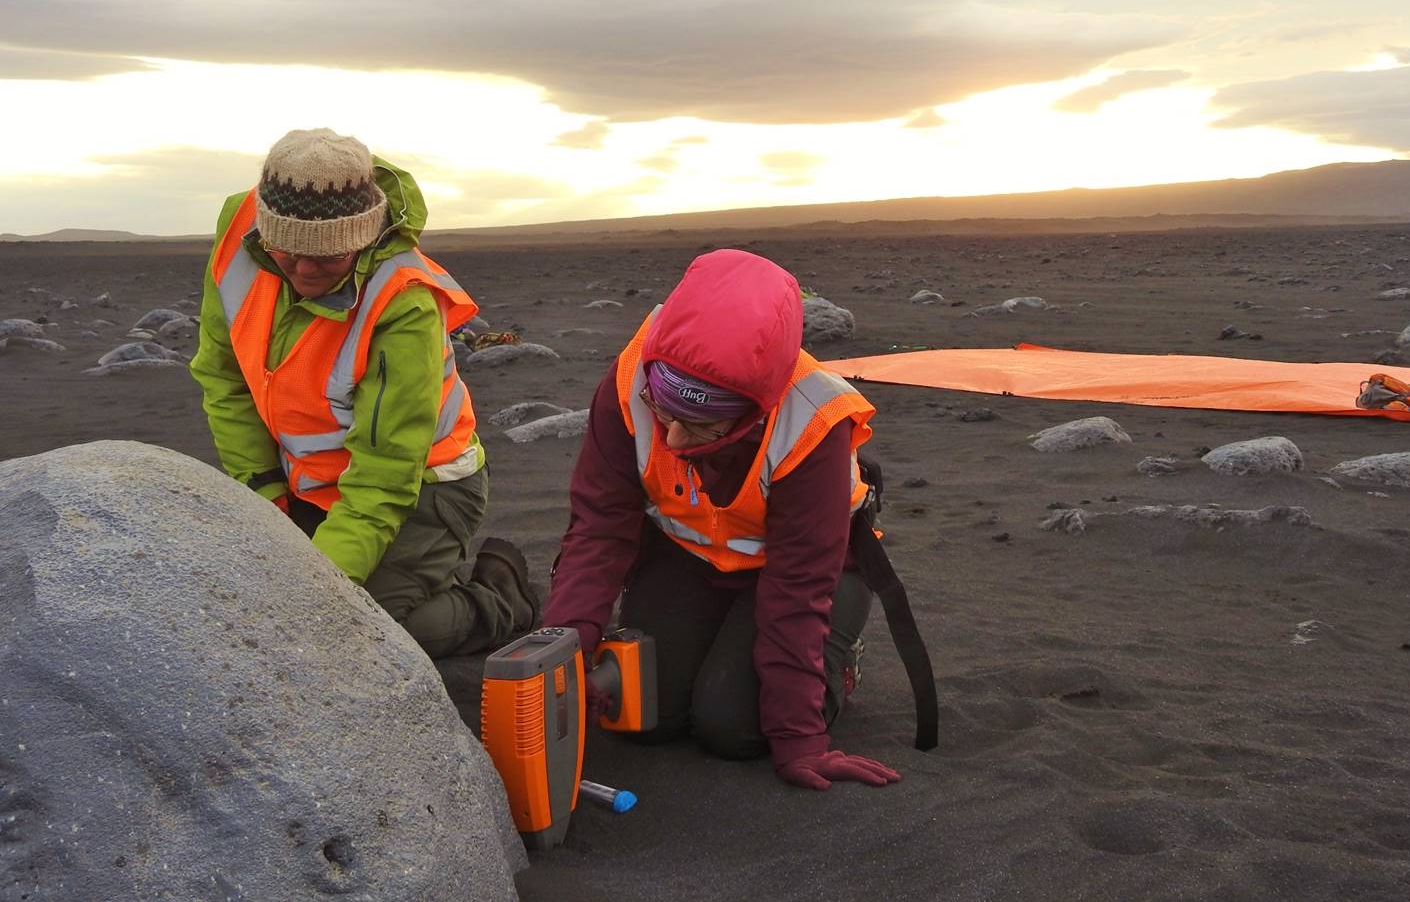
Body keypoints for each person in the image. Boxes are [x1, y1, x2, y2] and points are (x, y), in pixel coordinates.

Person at [543, 248, 914, 790]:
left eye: (700, 428)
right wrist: (567, 645)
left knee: (735, 728)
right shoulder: (631, 377)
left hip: (807, 574)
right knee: (645, 715)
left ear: (752, 415)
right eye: (662, 411)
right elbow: (600, 524)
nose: (672, 439)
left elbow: (797, 587)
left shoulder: (812, 419)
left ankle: (840, 660)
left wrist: (800, 739)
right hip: (689, 557)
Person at [191, 128, 537, 658]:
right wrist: (264, 490)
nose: (305, 270)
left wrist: (319, 592)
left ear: (363, 236)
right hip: (309, 478)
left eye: (329, 258)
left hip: (425, 485)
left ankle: (498, 601)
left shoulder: (404, 304)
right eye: (287, 252)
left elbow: (384, 474)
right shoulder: (240, 230)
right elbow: (225, 377)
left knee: (360, 630)